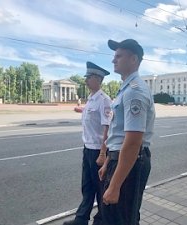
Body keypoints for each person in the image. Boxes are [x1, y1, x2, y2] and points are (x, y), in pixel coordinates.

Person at [99, 39, 155, 225]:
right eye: (114, 57)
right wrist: (108, 161)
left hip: (131, 162)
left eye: (118, 56)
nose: (113, 60)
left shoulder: (134, 91)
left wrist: (115, 186)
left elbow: (133, 141)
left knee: (122, 219)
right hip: (120, 159)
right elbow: (119, 135)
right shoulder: (125, 90)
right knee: (113, 217)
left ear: (133, 59)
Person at [64, 61, 112, 225]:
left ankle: (101, 220)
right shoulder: (91, 99)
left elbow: (107, 128)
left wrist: (103, 153)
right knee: (87, 186)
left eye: (89, 77)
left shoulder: (104, 100)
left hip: (98, 151)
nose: (86, 80)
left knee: (100, 189)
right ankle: (81, 219)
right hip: (88, 149)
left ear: (98, 79)